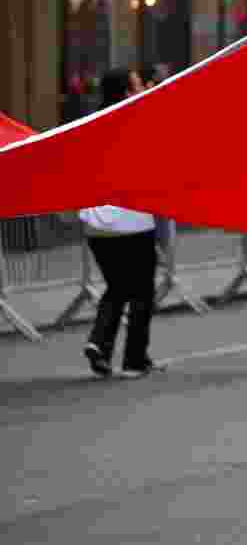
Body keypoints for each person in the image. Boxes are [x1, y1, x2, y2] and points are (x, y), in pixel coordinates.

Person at [81, 69, 162, 378]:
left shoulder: (91, 123)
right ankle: (134, 359)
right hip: (132, 223)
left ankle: (98, 344)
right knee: (141, 291)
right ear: (127, 92)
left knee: (117, 287)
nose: (143, 88)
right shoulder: (135, 123)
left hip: (97, 225)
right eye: (139, 85)